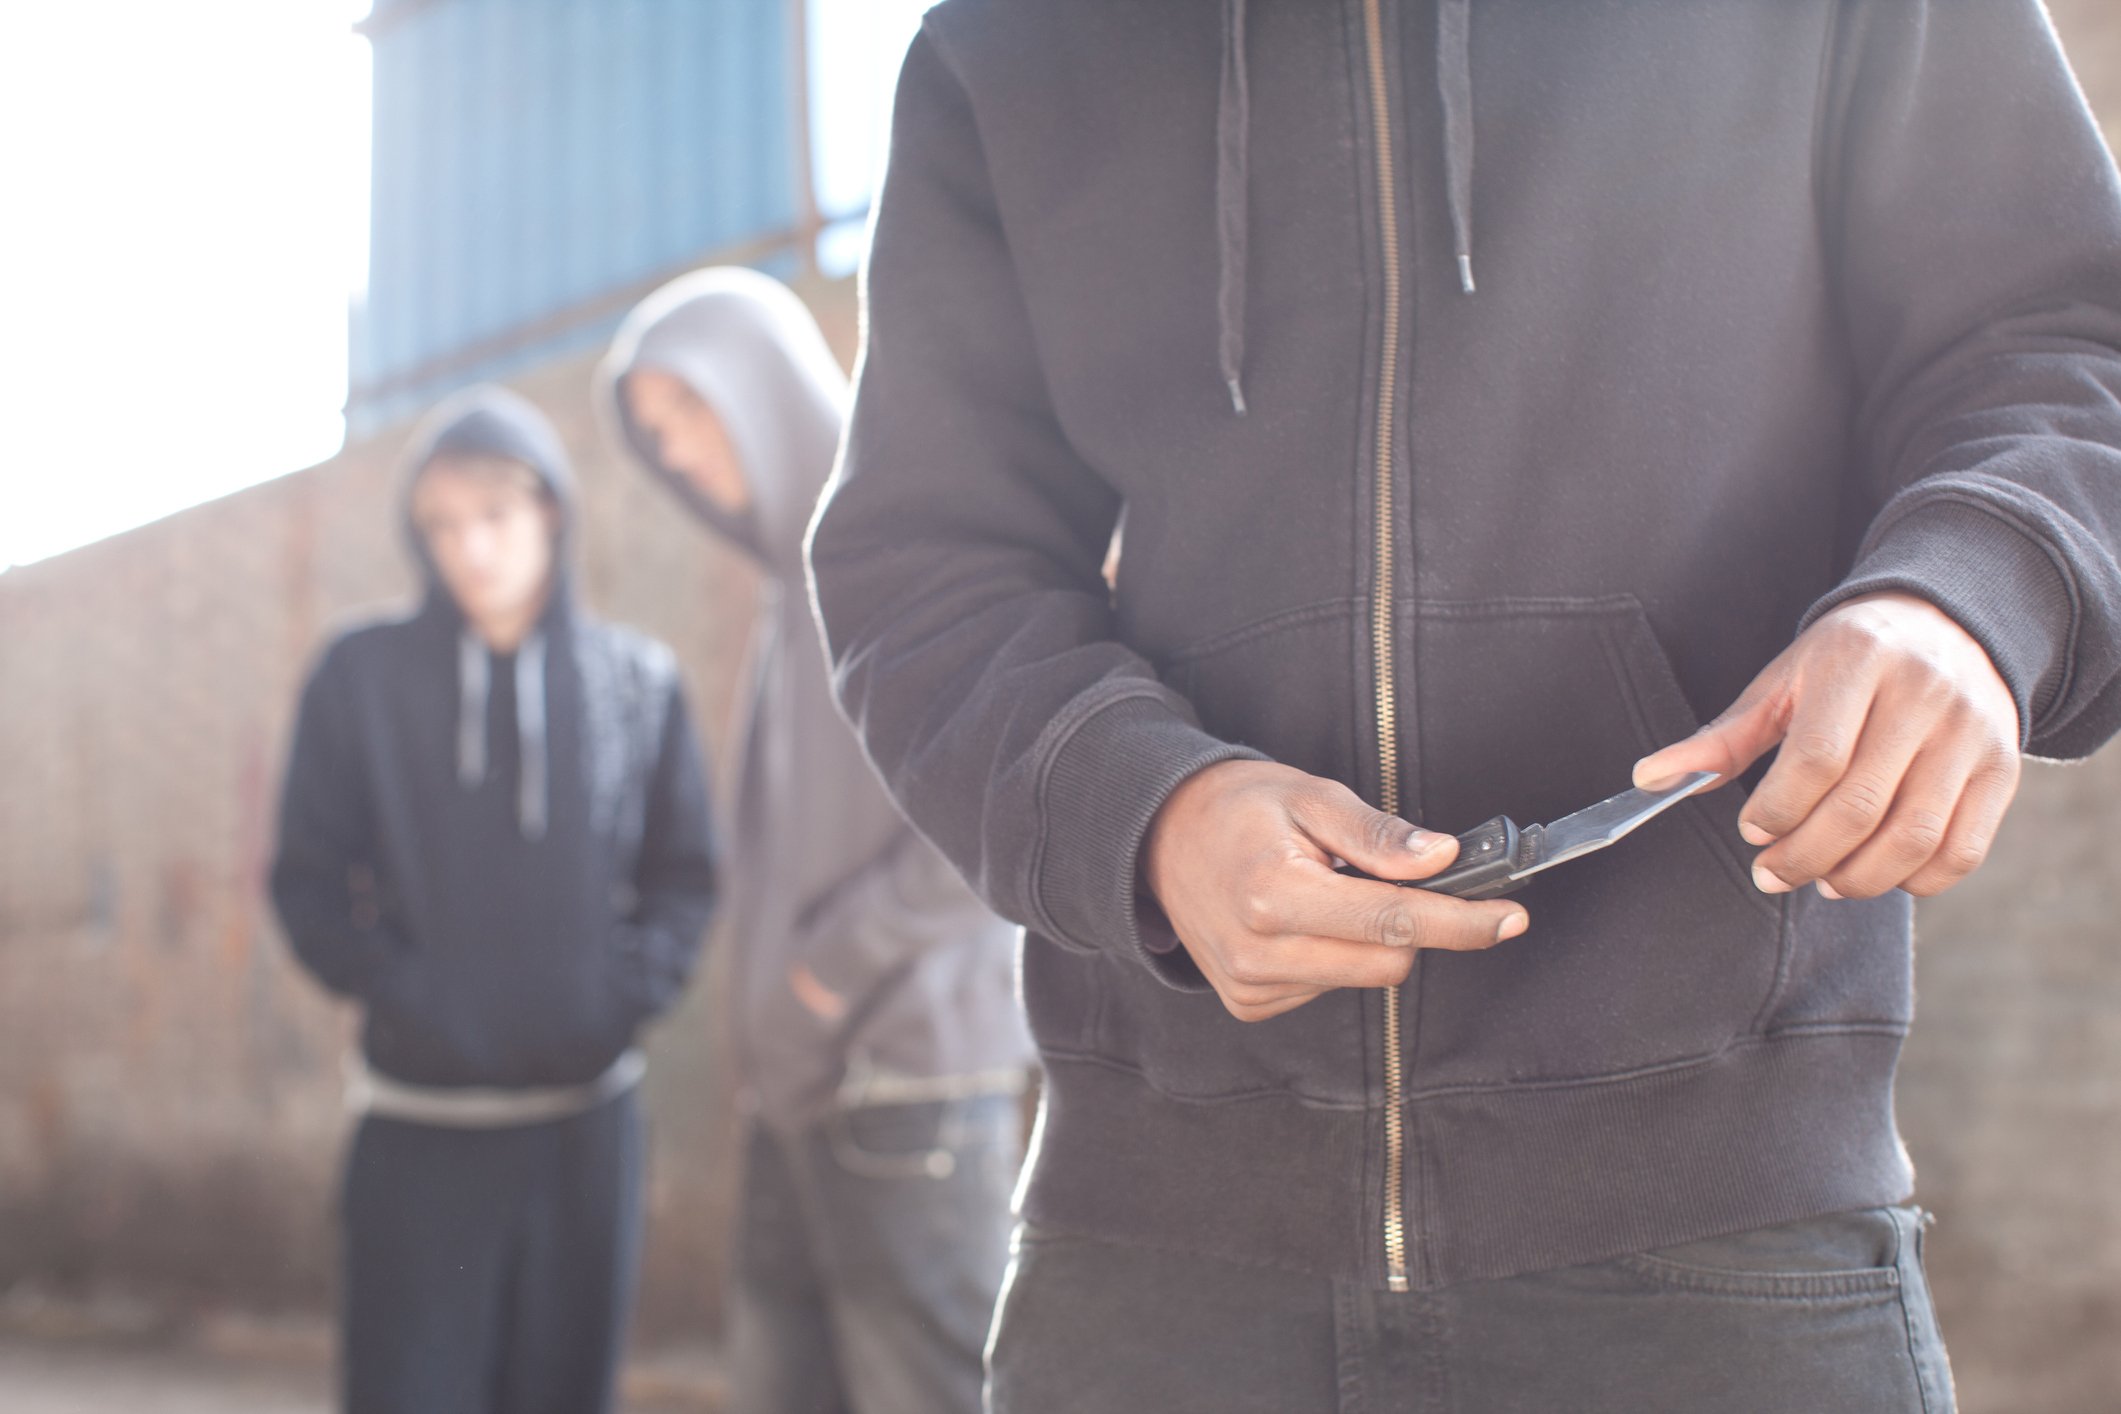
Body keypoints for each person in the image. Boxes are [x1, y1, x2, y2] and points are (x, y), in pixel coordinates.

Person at [805, 3, 2121, 1410]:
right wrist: (1149, 815)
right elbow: (926, 562)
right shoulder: (1007, 46)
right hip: (1154, 1278)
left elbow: (2061, 343)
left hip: (1720, 1249)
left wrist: (1968, 590)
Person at [599, 267, 1035, 1414]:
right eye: (655, 436)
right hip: (801, 1095)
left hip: (905, 1081)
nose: (681, 455)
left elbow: (992, 805)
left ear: (758, 385)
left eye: (687, 411)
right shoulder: (794, 593)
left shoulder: (908, 548)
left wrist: (821, 972)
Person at [270, 385, 716, 1414]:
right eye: (442, 525)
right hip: (418, 1128)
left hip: (582, 1131)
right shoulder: (358, 677)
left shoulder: (639, 683)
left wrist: (617, 993)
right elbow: (307, 879)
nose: (470, 549)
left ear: (552, 512)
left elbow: (685, 876)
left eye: (495, 517)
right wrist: (409, 992)